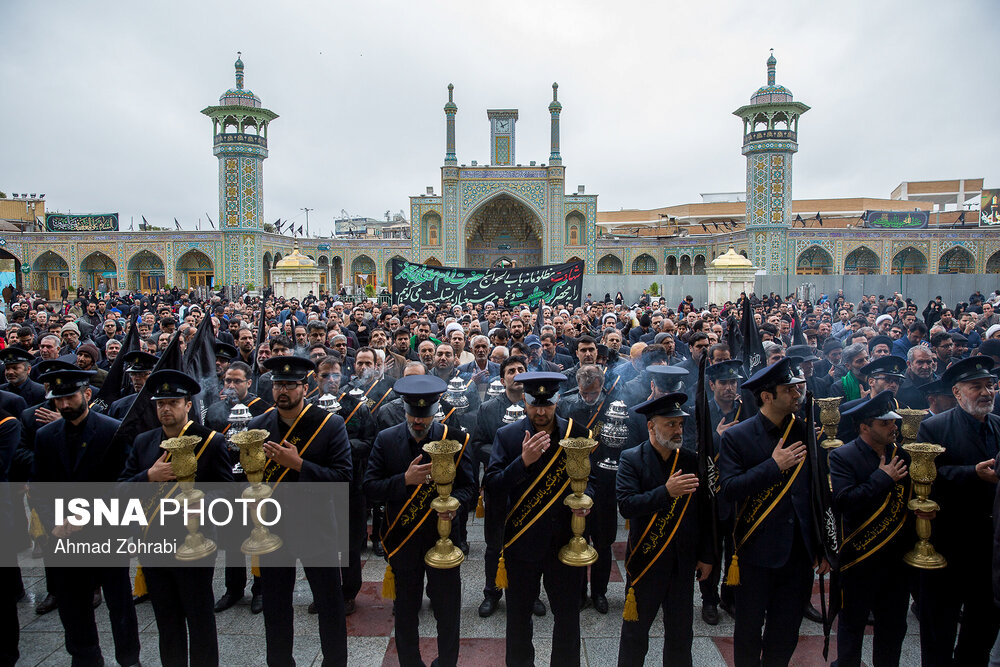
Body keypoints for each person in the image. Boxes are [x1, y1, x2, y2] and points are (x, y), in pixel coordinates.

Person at [718, 358, 829, 667]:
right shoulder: (737, 436)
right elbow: (727, 489)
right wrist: (773, 466)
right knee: (749, 630)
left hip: (798, 552)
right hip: (755, 551)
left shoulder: (805, 430)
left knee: (786, 630)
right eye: (789, 390)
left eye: (798, 389)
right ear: (767, 396)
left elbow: (817, 493)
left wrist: (822, 546)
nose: (797, 395)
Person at [118, 369, 233, 667]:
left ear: (188, 405)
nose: (165, 409)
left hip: (195, 545)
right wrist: (148, 477)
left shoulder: (210, 442)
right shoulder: (144, 442)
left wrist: (204, 504)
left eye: (172, 402)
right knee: (167, 623)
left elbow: (226, 494)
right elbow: (119, 490)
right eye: (160, 403)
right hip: (153, 543)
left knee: (200, 620)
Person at [29, 367, 141, 667]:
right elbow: (39, 487)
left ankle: (129, 659)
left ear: (87, 394)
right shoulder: (45, 435)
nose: (64, 405)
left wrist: (88, 517)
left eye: (70, 397)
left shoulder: (112, 430)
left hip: (106, 533)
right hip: (64, 536)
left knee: (119, 605)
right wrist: (55, 522)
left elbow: (123, 484)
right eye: (58, 399)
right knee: (72, 604)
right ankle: (85, 657)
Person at [247, 355, 353, 666]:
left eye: (289, 385)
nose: (282, 390)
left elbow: (343, 478)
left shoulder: (329, 424)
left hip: (316, 527)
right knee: (276, 606)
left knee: (330, 604)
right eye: (277, 384)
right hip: (272, 528)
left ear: (304, 387)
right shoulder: (258, 426)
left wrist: (299, 465)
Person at [364, 374, 475, 667]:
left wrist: (455, 505)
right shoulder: (386, 440)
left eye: (424, 417)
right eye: (413, 415)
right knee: (406, 612)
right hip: (403, 540)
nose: (418, 423)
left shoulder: (455, 438)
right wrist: (404, 480)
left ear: (436, 410)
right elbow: (370, 488)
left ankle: (447, 663)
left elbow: (469, 487)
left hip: (445, 541)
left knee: (448, 612)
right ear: (404, 409)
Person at [485, 371, 594, 667]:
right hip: (522, 543)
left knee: (568, 618)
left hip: (565, 543)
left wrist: (586, 502)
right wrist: (522, 463)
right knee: (519, 620)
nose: (541, 412)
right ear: (524, 401)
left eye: (547, 404)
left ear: (558, 400)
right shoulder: (507, 436)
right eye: (535, 404)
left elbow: (592, 480)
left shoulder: (577, 434)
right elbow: (493, 486)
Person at [616, 391, 713, 666]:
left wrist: (707, 556)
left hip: (683, 564)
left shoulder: (691, 460)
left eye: (680, 424)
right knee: (635, 635)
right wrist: (665, 492)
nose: (677, 430)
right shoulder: (631, 459)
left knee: (681, 636)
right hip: (646, 560)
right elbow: (627, 505)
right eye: (670, 424)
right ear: (651, 426)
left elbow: (705, 512)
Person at [915, 356, 1000, 665]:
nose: (986, 392)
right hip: (949, 543)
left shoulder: (998, 425)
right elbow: (926, 480)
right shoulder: (934, 427)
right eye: (976, 387)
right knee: (939, 626)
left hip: (990, 546)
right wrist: (970, 473)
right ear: (958, 392)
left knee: (983, 625)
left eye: (990, 385)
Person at [829, 392, 914, 667]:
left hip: (897, 561)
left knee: (893, 628)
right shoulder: (843, 456)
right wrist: (882, 478)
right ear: (864, 427)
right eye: (884, 423)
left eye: (893, 422)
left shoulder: (902, 454)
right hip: (860, 558)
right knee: (852, 625)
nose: (893, 427)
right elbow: (844, 502)